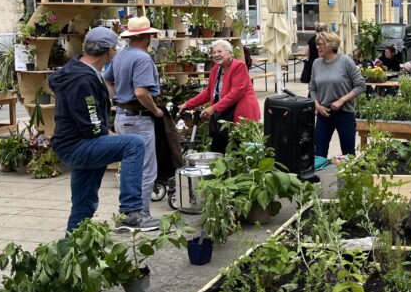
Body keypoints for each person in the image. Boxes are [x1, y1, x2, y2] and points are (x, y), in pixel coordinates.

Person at [49, 27, 156, 232]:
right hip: (78, 145)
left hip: (73, 143)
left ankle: (71, 250)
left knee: (83, 205)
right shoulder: (83, 79)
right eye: (114, 49)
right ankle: (131, 211)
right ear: (109, 50)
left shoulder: (81, 71)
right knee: (134, 143)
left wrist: (110, 137)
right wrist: (112, 138)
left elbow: (90, 121)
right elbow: (91, 124)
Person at [103, 16, 163, 218]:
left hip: (122, 115)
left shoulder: (120, 55)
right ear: (147, 36)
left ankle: (130, 212)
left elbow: (107, 81)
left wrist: (118, 99)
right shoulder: (142, 58)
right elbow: (141, 92)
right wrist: (155, 110)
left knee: (130, 166)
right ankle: (141, 214)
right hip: (138, 117)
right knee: (145, 169)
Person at [182, 40, 261, 154]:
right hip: (223, 114)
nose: (216, 55)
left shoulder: (239, 66)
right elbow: (208, 92)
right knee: (218, 149)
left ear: (230, 53)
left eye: (219, 51)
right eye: (214, 52)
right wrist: (188, 104)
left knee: (238, 151)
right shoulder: (216, 69)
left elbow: (235, 93)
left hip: (240, 114)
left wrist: (213, 108)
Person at [308, 31, 366, 158]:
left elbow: (361, 85)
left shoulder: (345, 61)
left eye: (320, 44)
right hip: (323, 114)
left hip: (344, 114)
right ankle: (320, 178)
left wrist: (341, 101)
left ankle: (349, 178)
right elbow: (312, 88)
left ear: (330, 45)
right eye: (316, 44)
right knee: (319, 154)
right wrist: (317, 106)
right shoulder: (316, 63)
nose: (317, 47)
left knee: (348, 155)